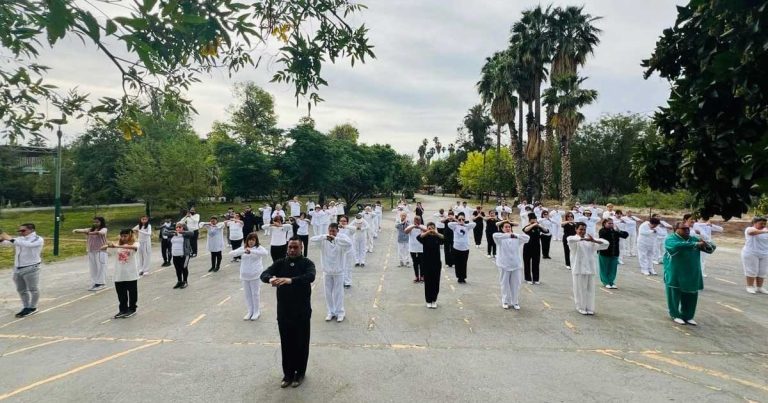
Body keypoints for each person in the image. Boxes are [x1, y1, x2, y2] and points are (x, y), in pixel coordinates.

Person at [260, 237, 316, 388]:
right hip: (284, 312)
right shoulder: (280, 263)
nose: (292, 250)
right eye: (290, 247)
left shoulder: (307, 263)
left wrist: (290, 280)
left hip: (302, 312)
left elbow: (310, 276)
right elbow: (264, 274)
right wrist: (271, 279)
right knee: (286, 343)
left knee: (301, 343)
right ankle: (288, 374)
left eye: (295, 247)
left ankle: (300, 373)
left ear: (301, 248)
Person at [664, 222, 715, 325]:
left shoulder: (693, 239)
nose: (687, 230)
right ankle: (675, 314)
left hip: (692, 272)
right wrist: (695, 244)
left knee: (691, 294)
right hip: (676, 272)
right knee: (674, 294)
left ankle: (688, 316)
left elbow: (711, 248)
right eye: (684, 228)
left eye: (688, 228)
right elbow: (676, 246)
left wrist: (706, 244)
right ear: (676, 229)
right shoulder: (670, 239)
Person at [0, 223, 44, 318]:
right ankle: (26, 307)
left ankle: (33, 307)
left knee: (33, 289)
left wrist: (10, 238)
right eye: (19, 231)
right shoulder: (20, 239)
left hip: (31, 267)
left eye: (23, 230)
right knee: (21, 290)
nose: (21, 232)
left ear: (31, 230)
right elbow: (6, 244)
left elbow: (28, 245)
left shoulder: (38, 239)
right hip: (18, 268)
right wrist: (2, 238)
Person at [311, 223, 352, 322]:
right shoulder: (324, 240)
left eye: (333, 231)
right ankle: (331, 312)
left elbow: (349, 244)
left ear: (337, 231)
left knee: (338, 293)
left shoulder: (342, 239)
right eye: (330, 231)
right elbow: (312, 239)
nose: (331, 233)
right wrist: (325, 236)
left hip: (338, 271)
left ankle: (340, 312)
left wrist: (335, 239)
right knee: (328, 293)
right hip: (327, 271)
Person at [568, 222, 609, 315]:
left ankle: (589, 307)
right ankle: (580, 307)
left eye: (584, 229)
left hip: (590, 268)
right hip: (578, 269)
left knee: (590, 290)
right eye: (581, 229)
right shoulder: (574, 240)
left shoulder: (590, 241)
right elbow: (570, 240)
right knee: (580, 289)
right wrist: (583, 238)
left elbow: (606, 243)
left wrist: (593, 240)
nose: (583, 231)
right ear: (576, 229)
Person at [230, 232, 269, 320]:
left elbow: (265, 253)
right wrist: (243, 250)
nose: (251, 242)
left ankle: (256, 311)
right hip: (245, 274)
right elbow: (232, 253)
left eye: (253, 240)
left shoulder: (259, 248)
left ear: (256, 241)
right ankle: (250, 311)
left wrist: (251, 251)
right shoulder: (244, 248)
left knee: (255, 294)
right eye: (249, 240)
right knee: (247, 294)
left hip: (255, 275)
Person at [102, 229, 139, 318]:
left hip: (131, 274)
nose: (123, 238)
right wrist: (109, 245)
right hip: (119, 274)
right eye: (122, 236)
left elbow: (134, 248)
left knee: (132, 293)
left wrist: (116, 246)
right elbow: (102, 249)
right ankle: (123, 309)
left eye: (125, 236)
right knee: (121, 294)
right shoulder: (118, 245)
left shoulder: (135, 243)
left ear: (130, 236)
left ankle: (132, 309)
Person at [493, 221, 530, 310]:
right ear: (502, 229)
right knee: (504, 284)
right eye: (505, 227)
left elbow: (527, 238)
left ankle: (515, 302)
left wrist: (514, 235)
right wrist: (509, 235)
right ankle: (505, 301)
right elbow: (494, 235)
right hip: (504, 264)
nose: (508, 228)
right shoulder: (500, 238)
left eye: (509, 227)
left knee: (515, 284)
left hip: (516, 264)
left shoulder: (516, 237)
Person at [72, 217, 108, 291]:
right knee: (93, 268)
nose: (95, 223)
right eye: (94, 222)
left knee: (100, 267)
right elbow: (83, 230)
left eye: (97, 222)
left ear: (101, 222)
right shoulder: (90, 229)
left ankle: (101, 283)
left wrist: (88, 233)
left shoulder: (104, 229)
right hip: (91, 251)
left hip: (101, 251)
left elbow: (100, 233)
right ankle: (96, 282)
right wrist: (76, 230)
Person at [417, 222, 444, 308]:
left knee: (436, 282)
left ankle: (434, 300)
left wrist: (435, 232)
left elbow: (443, 238)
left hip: (436, 263)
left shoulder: (437, 237)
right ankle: (428, 300)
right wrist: (427, 232)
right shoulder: (425, 237)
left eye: (433, 227)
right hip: (427, 263)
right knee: (428, 282)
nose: (431, 229)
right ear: (427, 228)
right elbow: (419, 237)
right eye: (429, 228)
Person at [597, 218, 629, 289]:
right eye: (609, 223)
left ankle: (611, 281)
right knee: (604, 268)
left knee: (613, 268)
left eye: (612, 223)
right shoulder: (602, 231)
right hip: (605, 252)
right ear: (604, 224)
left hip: (615, 252)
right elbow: (604, 236)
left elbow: (625, 235)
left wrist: (619, 230)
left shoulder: (615, 231)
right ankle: (605, 282)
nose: (611, 225)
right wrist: (614, 231)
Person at [741, 217, 768, 294]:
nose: (763, 225)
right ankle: (749, 286)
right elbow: (751, 233)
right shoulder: (749, 229)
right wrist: (764, 231)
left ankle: (759, 287)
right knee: (752, 270)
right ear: (754, 223)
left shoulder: (765, 231)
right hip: (751, 253)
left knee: (762, 271)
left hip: (765, 254)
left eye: (764, 223)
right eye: (761, 223)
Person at [447, 213, 475, 284]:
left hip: (465, 248)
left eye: (463, 219)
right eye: (460, 219)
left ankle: (463, 277)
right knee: (458, 263)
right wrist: (457, 222)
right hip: (456, 247)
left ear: (465, 219)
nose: (461, 220)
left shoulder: (467, 227)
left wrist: (464, 224)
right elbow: (449, 224)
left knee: (464, 263)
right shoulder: (455, 226)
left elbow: (474, 224)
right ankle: (459, 277)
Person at [164, 222, 194, 289]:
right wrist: (173, 232)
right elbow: (165, 233)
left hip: (184, 255)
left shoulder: (186, 235)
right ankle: (179, 281)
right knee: (178, 269)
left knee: (184, 268)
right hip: (175, 255)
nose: (178, 228)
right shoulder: (174, 234)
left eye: (180, 227)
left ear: (183, 228)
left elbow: (192, 233)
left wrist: (182, 232)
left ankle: (185, 281)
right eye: (177, 227)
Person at [522, 213, 549, 285]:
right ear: (529, 220)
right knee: (527, 263)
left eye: (535, 219)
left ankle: (536, 279)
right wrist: (533, 225)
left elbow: (546, 231)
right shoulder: (528, 226)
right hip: (528, 246)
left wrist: (539, 225)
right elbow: (525, 230)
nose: (534, 221)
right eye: (532, 220)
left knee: (536, 263)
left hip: (536, 247)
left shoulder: (539, 227)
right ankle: (528, 278)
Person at [405, 216, 427, 283]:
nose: (417, 222)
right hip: (413, 248)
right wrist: (413, 226)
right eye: (416, 220)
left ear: (420, 221)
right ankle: (417, 276)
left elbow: (427, 231)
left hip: (421, 248)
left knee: (422, 263)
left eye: (418, 220)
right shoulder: (411, 226)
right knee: (415, 263)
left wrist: (419, 227)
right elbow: (406, 231)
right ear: (414, 221)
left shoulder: (423, 226)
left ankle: (422, 276)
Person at [337, 216, 356, 288]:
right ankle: (341, 281)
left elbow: (354, 229)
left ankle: (348, 282)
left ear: (347, 222)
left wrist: (346, 226)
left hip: (348, 251)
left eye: (344, 221)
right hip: (339, 251)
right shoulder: (337, 229)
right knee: (340, 267)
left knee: (348, 267)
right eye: (341, 221)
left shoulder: (349, 229)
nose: (342, 222)